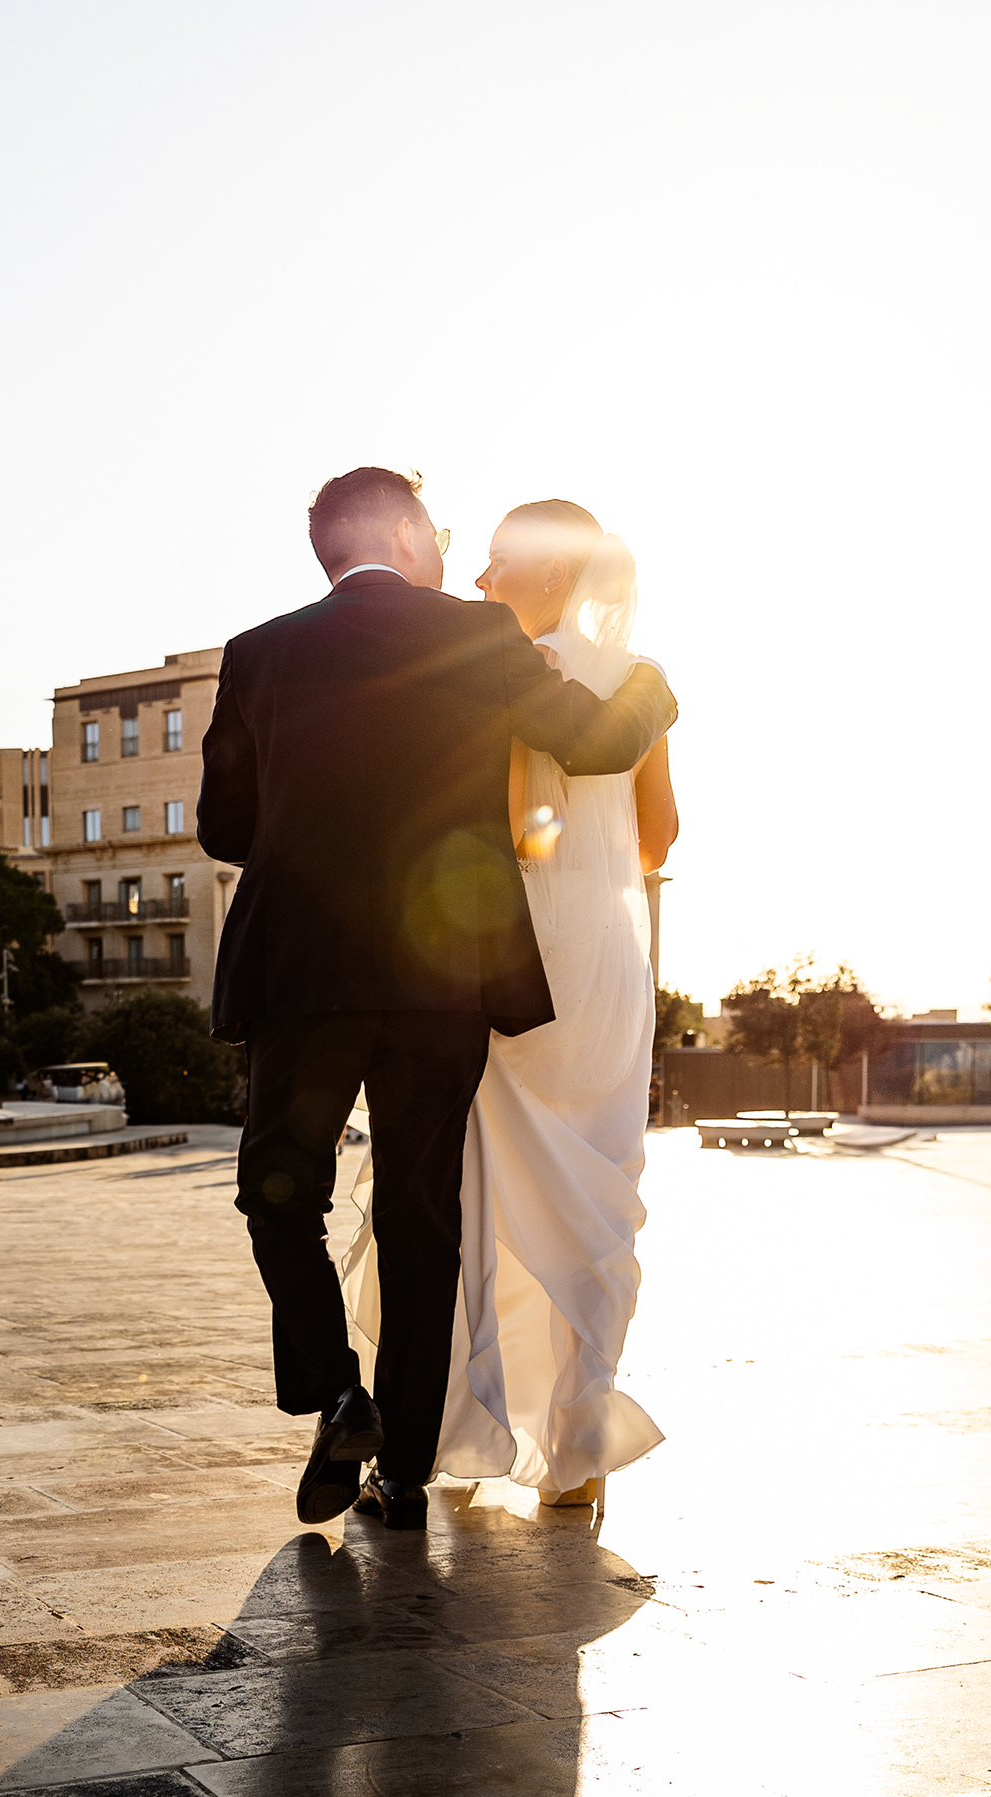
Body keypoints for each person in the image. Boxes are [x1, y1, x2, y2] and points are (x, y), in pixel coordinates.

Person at [200, 465, 676, 1530]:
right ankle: (405, 1474)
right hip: (441, 983)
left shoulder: (259, 653)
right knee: (424, 1220)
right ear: (409, 531)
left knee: (279, 1195)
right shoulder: (479, 639)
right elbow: (597, 745)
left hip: (303, 979)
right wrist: (652, 687)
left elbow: (226, 832)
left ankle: (337, 1395)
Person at [337, 500, 674, 1513]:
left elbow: (513, 831)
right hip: (610, 968)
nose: (477, 582)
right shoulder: (641, 683)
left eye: (494, 565)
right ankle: (574, 1456)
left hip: (509, 956)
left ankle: (455, 1434)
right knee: (592, 1191)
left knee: (461, 1195)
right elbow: (662, 833)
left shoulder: (496, 674)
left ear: (543, 574)